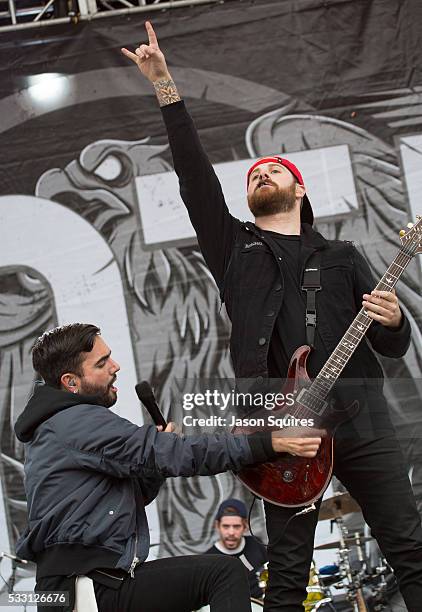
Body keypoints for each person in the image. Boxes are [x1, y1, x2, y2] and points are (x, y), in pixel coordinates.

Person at [121, 22, 422, 612]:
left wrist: (393, 322)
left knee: (408, 547)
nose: (260, 173)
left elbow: (392, 346)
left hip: (361, 417)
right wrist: (165, 87)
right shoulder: (235, 248)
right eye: (253, 173)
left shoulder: (343, 256)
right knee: (285, 572)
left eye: (274, 170)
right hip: (279, 423)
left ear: (300, 189)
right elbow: (194, 178)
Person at [14, 323, 322, 612]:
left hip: (82, 581)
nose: (115, 366)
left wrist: (156, 458)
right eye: (101, 363)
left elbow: (131, 493)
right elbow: (181, 454)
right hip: (83, 584)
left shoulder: (59, 426)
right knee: (224, 573)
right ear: (71, 382)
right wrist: (270, 443)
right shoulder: (76, 422)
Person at [205, 499, 268, 600]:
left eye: (236, 526)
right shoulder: (208, 558)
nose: (231, 532)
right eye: (226, 526)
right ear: (217, 526)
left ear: (245, 526)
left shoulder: (256, 544)